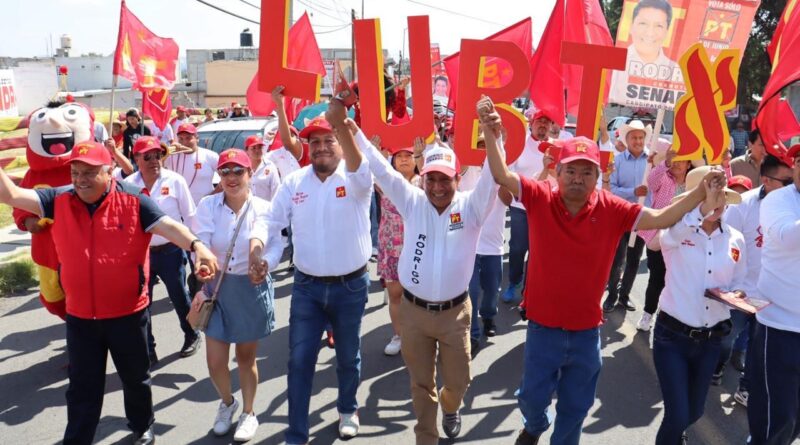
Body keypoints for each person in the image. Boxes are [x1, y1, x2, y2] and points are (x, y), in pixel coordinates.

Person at [483, 112, 728, 444]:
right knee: (531, 398)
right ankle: (535, 426)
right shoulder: (540, 197)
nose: (578, 178)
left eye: (587, 172)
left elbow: (660, 218)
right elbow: (501, 175)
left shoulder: (612, 209)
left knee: (575, 409)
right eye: (571, 170)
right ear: (557, 172)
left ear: (597, 176)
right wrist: (491, 132)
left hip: (586, 334)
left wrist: (700, 191)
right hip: (543, 329)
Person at [0, 140, 218, 445]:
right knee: (82, 387)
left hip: (127, 314)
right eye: (76, 172)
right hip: (80, 317)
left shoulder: (135, 200)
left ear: (109, 171)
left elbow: (169, 227)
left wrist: (198, 247)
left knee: (135, 378)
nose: (81, 179)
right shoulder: (57, 200)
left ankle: (142, 425)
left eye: (89, 172)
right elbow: (10, 195)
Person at [334, 95, 500, 444]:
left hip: (455, 315)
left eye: (445, 180)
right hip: (413, 313)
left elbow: (492, 178)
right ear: (422, 179)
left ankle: (451, 407)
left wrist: (492, 133)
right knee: (421, 385)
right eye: (431, 179)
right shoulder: (412, 201)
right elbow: (381, 169)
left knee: (458, 382)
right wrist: (355, 132)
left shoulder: (471, 208)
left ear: (457, 179)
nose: (437, 187)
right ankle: (426, 436)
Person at [249, 113, 372, 445]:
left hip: (351, 287)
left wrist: (342, 122)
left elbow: (362, 166)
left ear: (341, 143)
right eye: (314, 142)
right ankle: (297, 434)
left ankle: (348, 409)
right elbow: (271, 223)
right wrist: (260, 252)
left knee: (348, 356)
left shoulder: (357, 177)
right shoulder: (294, 183)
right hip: (307, 288)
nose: (321, 147)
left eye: (329, 140)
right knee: (299, 360)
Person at [193, 148, 283, 442]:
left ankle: (248, 412)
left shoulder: (264, 208)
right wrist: (202, 263)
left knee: (246, 358)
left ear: (250, 174)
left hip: (250, 287)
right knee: (215, 362)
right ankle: (227, 403)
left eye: (238, 171)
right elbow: (201, 240)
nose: (231, 177)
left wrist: (265, 263)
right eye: (225, 171)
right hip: (217, 287)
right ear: (219, 175)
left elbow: (275, 244)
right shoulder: (208, 205)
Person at [652, 165, 744, 445]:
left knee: (694, 412)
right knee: (678, 416)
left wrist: (737, 295)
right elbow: (664, 240)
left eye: (721, 196)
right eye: (709, 196)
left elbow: (740, 282)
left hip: (710, 341)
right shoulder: (677, 230)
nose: (717, 203)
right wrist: (701, 210)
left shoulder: (735, 238)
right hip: (672, 337)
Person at [715, 155, 794, 404]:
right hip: (741, 291)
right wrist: (729, 285)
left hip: (770, 295)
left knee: (756, 348)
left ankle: (746, 387)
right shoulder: (744, 204)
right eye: (787, 181)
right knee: (726, 340)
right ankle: (715, 365)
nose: (793, 185)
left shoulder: (793, 205)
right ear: (766, 180)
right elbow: (726, 244)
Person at [125, 136, 200, 363]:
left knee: (179, 297)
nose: (154, 161)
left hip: (171, 252)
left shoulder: (175, 181)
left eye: (158, 155)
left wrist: (196, 253)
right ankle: (148, 349)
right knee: (142, 304)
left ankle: (192, 334)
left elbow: (190, 218)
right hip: (141, 255)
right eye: (147, 157)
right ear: (136, 159)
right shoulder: (127, 185)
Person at [748, 143, 800, 445]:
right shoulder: (778, 200)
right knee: (776, 419)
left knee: (794, 421)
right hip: (780, 326)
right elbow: (788, 237)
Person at [635, 139, 691, 331]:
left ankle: (666, 314)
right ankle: (647, 314)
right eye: (674, 159)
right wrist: (665, 162)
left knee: (676, 280)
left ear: (689, 164)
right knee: (656, 277)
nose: (677, 163)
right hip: (659, 237)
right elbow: (651, 182)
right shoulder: (664, 178)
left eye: (682, 160)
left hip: (684, 240)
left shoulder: (694, 185)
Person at [500, 108, 553, 303]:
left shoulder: (555, 148)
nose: (543, 125)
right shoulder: (520, 144)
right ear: (531, 123)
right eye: (540, 121)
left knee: (538, 251)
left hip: (545, 208)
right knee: (517, 248)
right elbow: (509, 171)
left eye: (547, 122)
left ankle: (530, 289)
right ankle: (514, 282)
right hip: (520, 206)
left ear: (551, 126)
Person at [460, 132, 506, 353]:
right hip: (470, 246)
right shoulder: (465, 172)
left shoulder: (502, 174)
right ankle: (473, 333)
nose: (483, 151)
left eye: (486, 147)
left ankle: (489, 316)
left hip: (493, 247)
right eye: (479, 146)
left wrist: (500, 177)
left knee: (491, 291)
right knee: (471, 291)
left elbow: (509, 198)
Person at [374, 140, 420, 357]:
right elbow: (371, 170)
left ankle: (422, 337)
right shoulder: (386, 182)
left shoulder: (424, 182)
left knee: (421, 297)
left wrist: (421, 155)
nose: (403, 159)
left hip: (419, 248)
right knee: (395, 295)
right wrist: (376, 153)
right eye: (399, 156)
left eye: (408, 155)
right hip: (391, 247)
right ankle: (399, 335)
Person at [603, 119, 652, 313]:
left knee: (634, 259)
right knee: (617, 259)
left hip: (642, 217)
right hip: (621, 216)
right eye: (634, 138)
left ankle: (624, 295)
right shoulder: (617, 161)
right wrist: (633, 191)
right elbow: (612, 189)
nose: (638, 141)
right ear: (627, 139)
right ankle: (612, 296)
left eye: (641, 137)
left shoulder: (652, 161)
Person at [609, 0, 681, 106]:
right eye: (643, 23)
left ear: (666, 31)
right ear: (631, 26)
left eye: (659, 26)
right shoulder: (612, 65)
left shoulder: (677, 72)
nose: (650, 33)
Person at [164, 123, 220, 205]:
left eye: (188, 138)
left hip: (205, 206)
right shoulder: (171, 156)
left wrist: (212, 196)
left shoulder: (210, 156)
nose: (184, 142)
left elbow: (226, 177)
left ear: (197, 138)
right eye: (181, 139)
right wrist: (167, 152)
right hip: (179, 206)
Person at [244, 135, 281, 202]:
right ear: (247, 150)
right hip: (248, 207)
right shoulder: (243, 168)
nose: (257, 150)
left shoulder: (270, 166)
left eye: (260, 147)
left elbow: (276, 190)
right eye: (253, 148)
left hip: (266, 207)